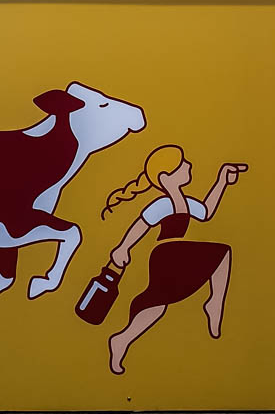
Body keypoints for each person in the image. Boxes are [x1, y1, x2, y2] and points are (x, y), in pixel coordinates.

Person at [102, 144, 247, 375]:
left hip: (177, 254)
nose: (188, 166)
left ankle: (121, 340)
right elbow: (141, 226)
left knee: (157, 306)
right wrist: (123, 248)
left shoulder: (186, 202)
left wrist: (222, 181)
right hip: (165, 254)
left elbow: (207, 212)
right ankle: (213, 303)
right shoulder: (163, 204)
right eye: (182, 165)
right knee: (221, 253)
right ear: (165, 177)